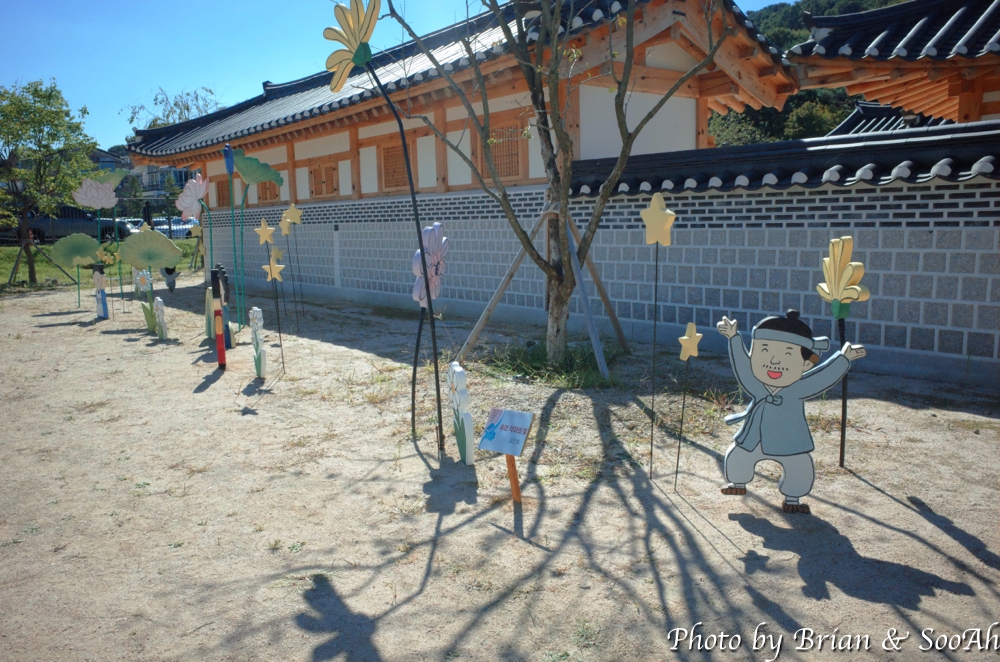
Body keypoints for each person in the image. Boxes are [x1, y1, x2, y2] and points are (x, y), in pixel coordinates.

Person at [716, 310, 866, 514]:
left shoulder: (799, 388)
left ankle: (793, 498)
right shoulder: (756, 384)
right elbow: (742, 365)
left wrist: (844, 358)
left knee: (799, 466)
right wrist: (734, 338)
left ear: (806, 363)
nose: (774, 361)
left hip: (791, 440)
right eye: (764, 350)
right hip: (755, 437)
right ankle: (738, 483)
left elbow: (823, 377)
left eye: (787, 354)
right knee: (739, 455)